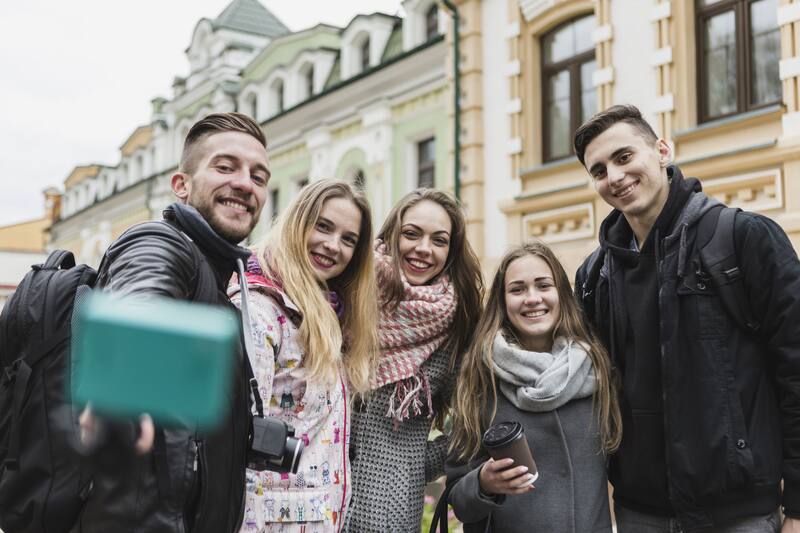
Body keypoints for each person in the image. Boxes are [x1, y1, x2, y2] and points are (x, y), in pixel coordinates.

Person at [573, 104, 800, 532]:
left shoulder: (744, 239)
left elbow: (795, 370)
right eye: (599, 170)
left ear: (662, 151)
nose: (615, 177)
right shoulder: (593, 276)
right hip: (641, 513)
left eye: (624, 157)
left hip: (739, 513)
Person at [76, 112, 270, 532]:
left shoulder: (219, 282)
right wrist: (124, 387)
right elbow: (143, 297)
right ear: (181, 186)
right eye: (225, 166)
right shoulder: (160, 242)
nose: (245, 183)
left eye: (259, 176)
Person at [231, 179, 378, 533]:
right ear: (298, 221)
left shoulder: (329, 313)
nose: (333, 246)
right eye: (323, 226)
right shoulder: (262, 310)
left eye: (348, 239)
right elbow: (237, 436)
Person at [443, 241, 621, 532]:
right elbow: (459, 499)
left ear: (562, 294)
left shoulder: (597, 368)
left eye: (543, 285)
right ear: (502, 301)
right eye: (517, 289)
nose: (532, 298)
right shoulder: (480, 376)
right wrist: (484, 482)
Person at [344, 189, 484, 532]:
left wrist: (413, 464)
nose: (424, 248)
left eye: (439, 240)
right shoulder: (347, 296)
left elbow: (474, 422)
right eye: (411, 234)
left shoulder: (453, 331)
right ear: (391, 234)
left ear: (450, 252)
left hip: (387, 517)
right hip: (313, 504)